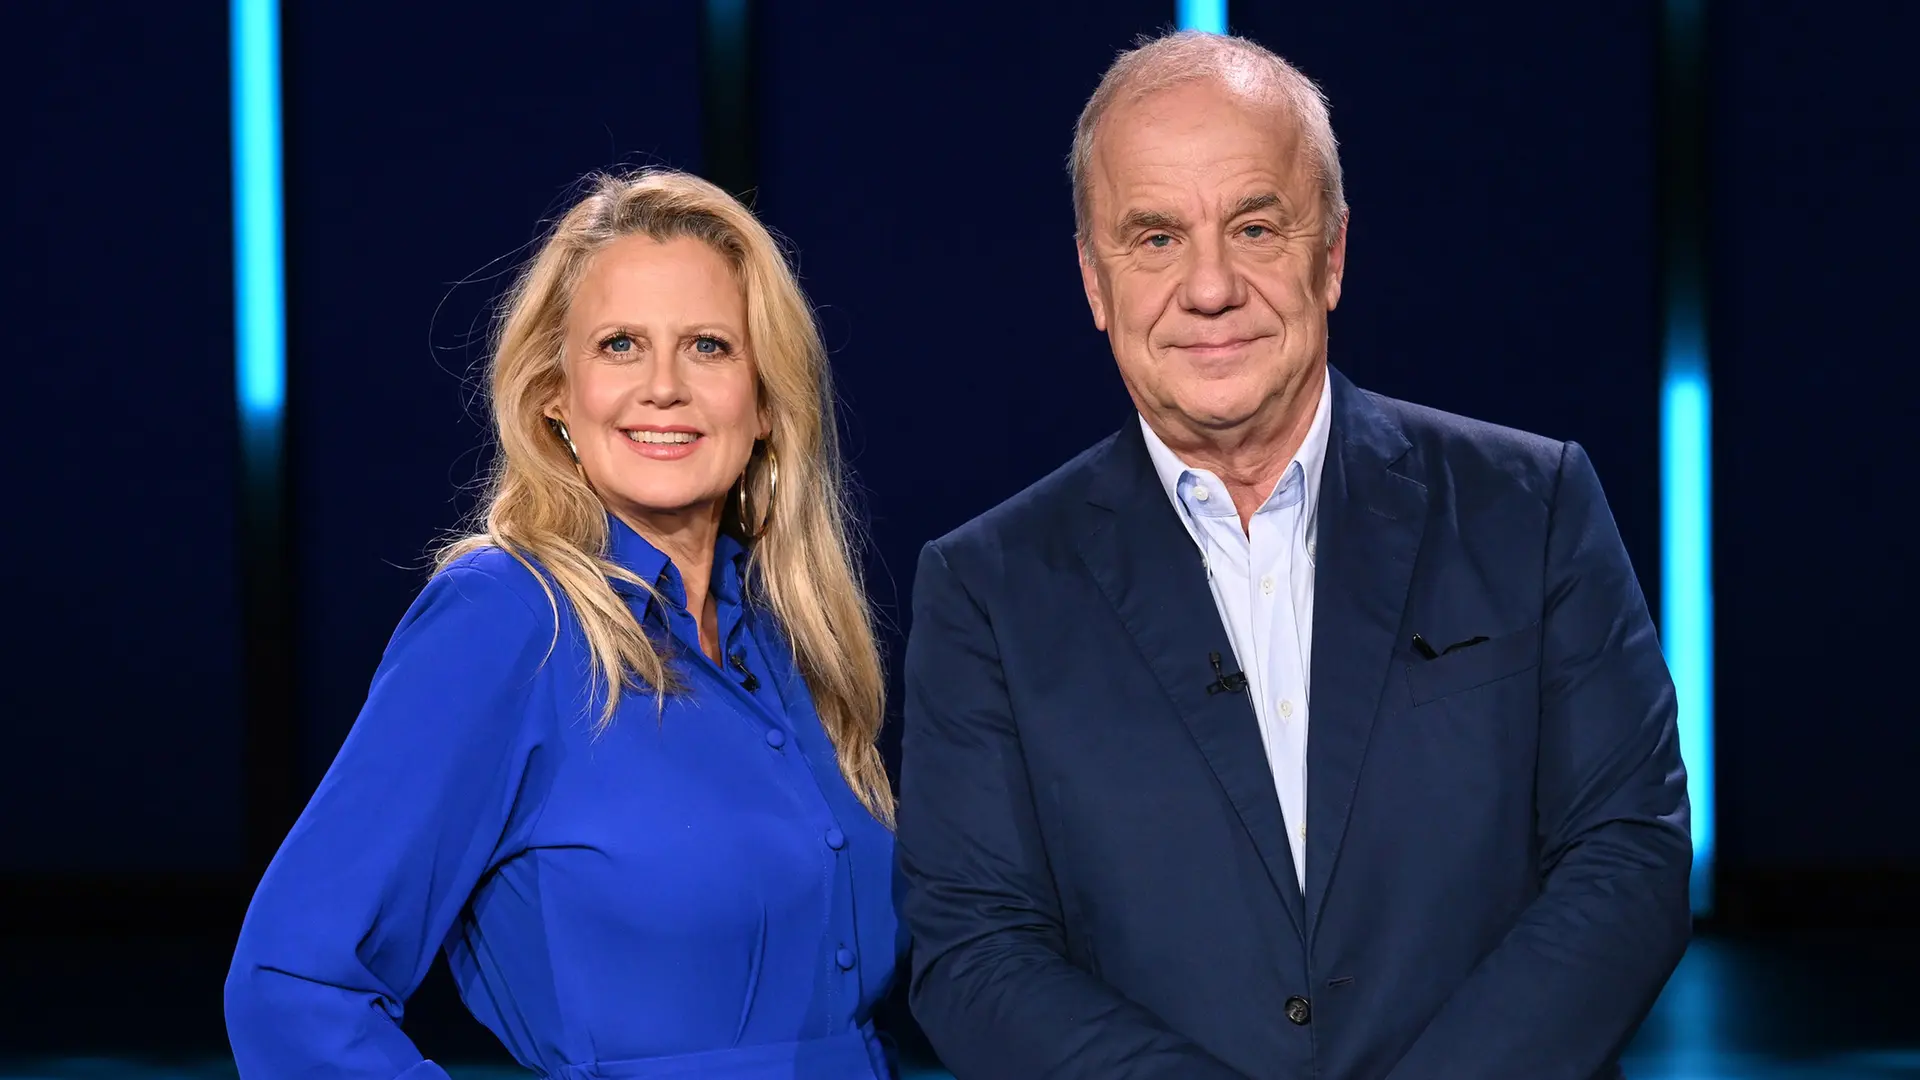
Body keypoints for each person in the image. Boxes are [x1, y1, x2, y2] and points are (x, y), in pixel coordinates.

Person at [896, 30, 1691, 1080]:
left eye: (1256, 227)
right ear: (1094, 283)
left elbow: (1628, 852)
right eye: (1155, 238)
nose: (1210, 287)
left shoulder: (1529, 507)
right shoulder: (987, 589)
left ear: (1333, 255)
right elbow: (976, 952)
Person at [225, 169, 905, 1079]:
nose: (663, 387)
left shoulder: (791, 637)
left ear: (767, 402)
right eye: (620, 345)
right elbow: (290, 985)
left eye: (708, 346)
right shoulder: (505, 620)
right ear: (555, 391)